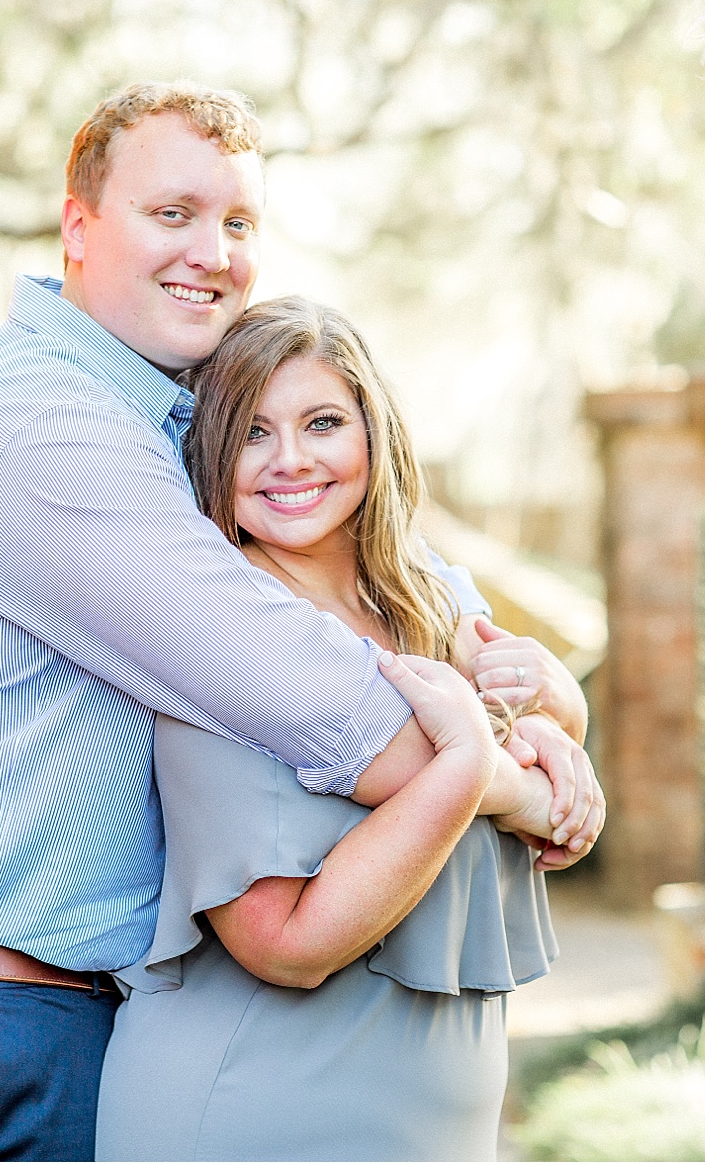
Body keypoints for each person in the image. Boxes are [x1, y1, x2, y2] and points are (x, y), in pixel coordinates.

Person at [0, 81, 602, 1161]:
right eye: (172, 214)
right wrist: (517, 782)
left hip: (19, 1008)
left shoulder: (157, 420)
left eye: (237, 223)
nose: (211, 252)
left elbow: (400, 590)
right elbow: (319, 691)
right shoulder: (54, 436)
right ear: (77, 226)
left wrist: (536, 698)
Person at [95, 296, 581, 1160]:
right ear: (211, 450)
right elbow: (285, 944)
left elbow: (553, 745)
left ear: (373, 433)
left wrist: (557, 734)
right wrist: (475, 765)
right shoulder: (215, 634)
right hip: (252, 1111)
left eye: (322, 422)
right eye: (251, 431)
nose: (290, 460)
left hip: (437, 1125)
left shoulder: (431, 600)